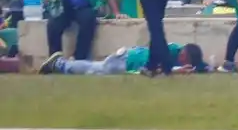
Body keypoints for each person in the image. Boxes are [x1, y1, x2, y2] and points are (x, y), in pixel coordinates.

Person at [40, 43, 200, 75]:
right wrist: (178, 70)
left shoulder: (176, 53)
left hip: (127, 57)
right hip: (127, 61)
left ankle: (64, 64)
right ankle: (60, 64)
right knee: (95, 69)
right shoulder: (171, 50)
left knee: (95, 68)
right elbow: (160, 68)